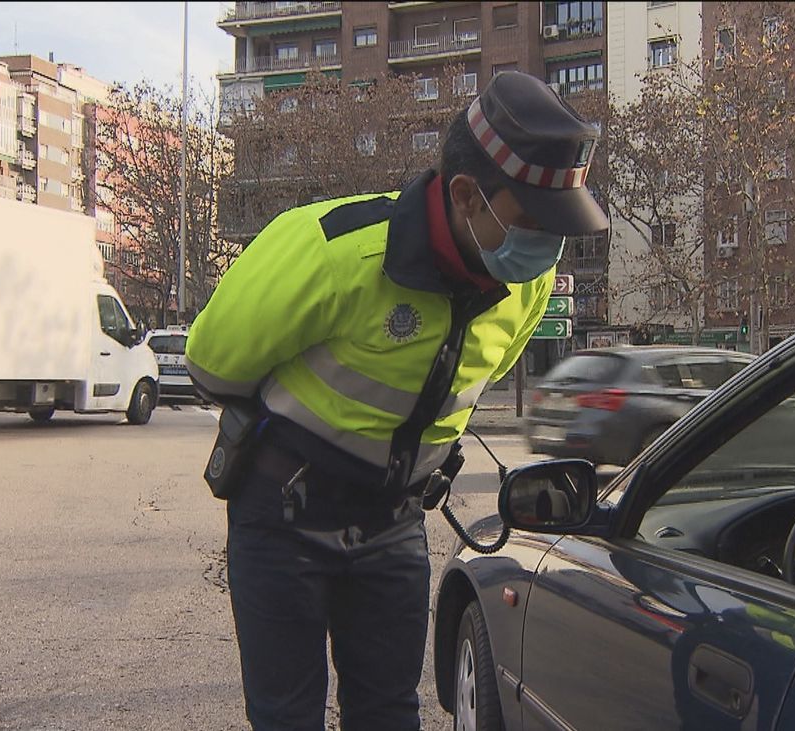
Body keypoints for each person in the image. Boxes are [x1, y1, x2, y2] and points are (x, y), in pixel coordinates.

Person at [184, 71, 606, 730]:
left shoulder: (527, 281)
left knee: (388, 712)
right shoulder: (331, 250)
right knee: (286, 716)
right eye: (535, 223)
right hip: (285, 512)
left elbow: (479, 377)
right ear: (467, 196)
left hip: (394, 521)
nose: (548, 249)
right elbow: (212, 364)